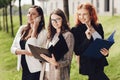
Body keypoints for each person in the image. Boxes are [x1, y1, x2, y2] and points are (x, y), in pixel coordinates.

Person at [71, 2, 110, 80]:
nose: (81, 17)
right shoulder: (75, 30)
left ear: (91, 14)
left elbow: (101, 45)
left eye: (84, 14)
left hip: (99, 62)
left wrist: (106, 53)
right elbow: (78, 51)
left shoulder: (98, 27)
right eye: (79, 14)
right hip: (89, 65)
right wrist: (87, 39)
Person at [11, 5, 47, 80]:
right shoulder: (22, 29)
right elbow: (12, 49)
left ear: (39, 17)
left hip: (35, 69)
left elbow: (33, 51)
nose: (29, 16)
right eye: (28, 13)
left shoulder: (43, 33)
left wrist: (34, 29)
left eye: (33, 14)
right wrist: (25, 52)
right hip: (24, 69)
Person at [40, 8, 74, 80]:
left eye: (58, 19)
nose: (55, 22)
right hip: (46, 73)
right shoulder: (50, 35)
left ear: (63, 20)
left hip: (58, 75)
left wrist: (57, 63)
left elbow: (68, 60)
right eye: (52, 20)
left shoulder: (68, 35)